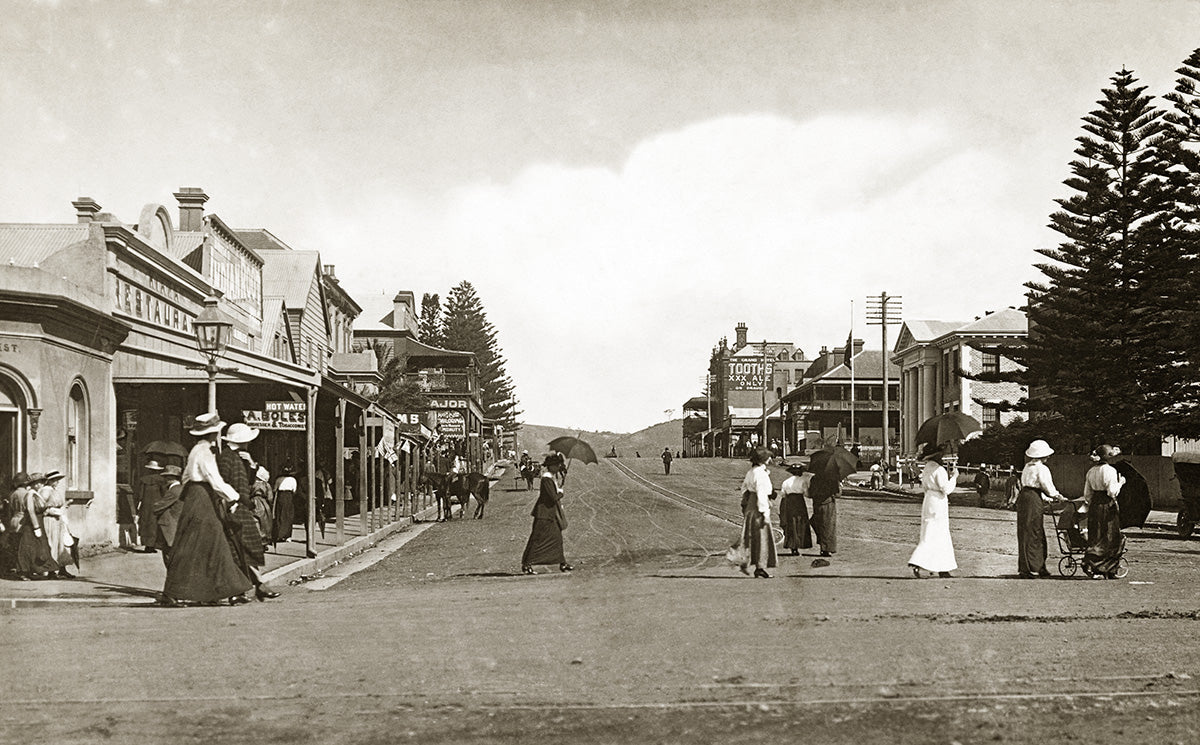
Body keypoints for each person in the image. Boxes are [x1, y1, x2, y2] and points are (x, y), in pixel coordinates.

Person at [161, 413, 253, 606]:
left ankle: (209, 592)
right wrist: (234, 497)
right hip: (202, 498)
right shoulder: (204, 452)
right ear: (212, 433)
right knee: (213, 543)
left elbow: (187, 477)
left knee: (196, 544)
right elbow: (214, 479)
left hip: (196, 497)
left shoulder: (196, 450)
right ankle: (229, 591)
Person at [217, 422, 279, 601]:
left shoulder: (238, 457)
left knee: (245, 549)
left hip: (242, 506)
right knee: (241, 548)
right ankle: (252, 587)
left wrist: (252, 465)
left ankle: (255, 586)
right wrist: (232, 503)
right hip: (235, 507)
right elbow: (224, 483)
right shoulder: (227, 458)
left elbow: (249, 481)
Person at [907, 444, 958, 579]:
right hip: (938, 502)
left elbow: (925, 486)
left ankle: (942, 568)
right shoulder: (939, 469)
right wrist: (954, 477)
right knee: (940, 534)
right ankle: (918, 561)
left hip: (928, 500)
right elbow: (945, 489)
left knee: (929, 531)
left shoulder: (927, 468)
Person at [1015, 439, 1062, 579]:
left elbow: (1031, 485)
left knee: (1025, 531)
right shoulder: (1042, 468)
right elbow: (1046, 485)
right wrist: (1056, 495)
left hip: (1025, 498)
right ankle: (1034, 567)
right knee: (1035, 531)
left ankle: (1030, 566)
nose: (1048, 457)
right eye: (1046, 455)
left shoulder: (1027, 467)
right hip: (1033, 500)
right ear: (1042, 455)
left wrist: (1047, 497)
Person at [521, 452, 572, 575]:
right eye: (557, 465)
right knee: (537, 539)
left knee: (557, 539)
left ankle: (562, 563)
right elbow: (553, 497)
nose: (559, 467)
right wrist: (560, 492)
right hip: (544, 515)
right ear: (552, 466)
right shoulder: (546, 479)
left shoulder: (550, 479)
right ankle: (527, 564)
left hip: (550, 514)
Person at [1082, 444, 1127, 579]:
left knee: (1095, 534)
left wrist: (1091, 504)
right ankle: (1106, 567)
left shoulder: (1091, 471)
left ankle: (1093, 564)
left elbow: (1087, 494)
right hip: (1106, 503)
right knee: (1109, 535)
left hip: (1095, 503)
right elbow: (1112, 491)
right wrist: (1121, 483)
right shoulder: (1110, 471)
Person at [738, 446, 777, 578]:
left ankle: (753, 563)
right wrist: (764, 513)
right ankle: (760, 566)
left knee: (751, 536)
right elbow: (761, 493)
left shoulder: (751, 472)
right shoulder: (761, 474)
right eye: (768, 457)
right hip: (758, 506)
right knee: (762, 537)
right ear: (763, 459)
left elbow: (744, 489)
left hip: (750, 505)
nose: (770, 459)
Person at [14, 473, 55, 580]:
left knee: (42, 546)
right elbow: (31, 510)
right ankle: (24, 572)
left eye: (42, 482)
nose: (41, 484)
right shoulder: (30, 494)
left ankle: (49, 570)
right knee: (28, 547)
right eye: (39, 482)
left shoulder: (36, 494)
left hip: (39, 521)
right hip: (32, 524)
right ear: (34, 484)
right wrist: (36, 527)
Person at [39, 470, 75, 578]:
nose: (57, 482)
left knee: (61, 543)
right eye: (55, 480)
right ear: (50, 481)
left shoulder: (54, 490)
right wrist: (50, 511)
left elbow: (59, 503)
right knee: (52, 543)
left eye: (57, 480)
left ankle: (62, 568)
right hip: (50, 520)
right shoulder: (45, 490)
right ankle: (51, 570)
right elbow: (41, 506)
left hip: (58, 520)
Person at [778, 462, 813, 556]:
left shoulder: (786, 482)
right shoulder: (803, 481)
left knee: (791, 523)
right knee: (800, 522)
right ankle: (800, 543)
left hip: (789, 502)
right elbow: (807, 494)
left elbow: (783, 494)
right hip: (799, 502)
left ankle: (793, 547)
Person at [154, 464, 184, 568]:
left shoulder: (174, 490)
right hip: (177, 526)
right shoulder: (181, 489)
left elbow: (157, 507)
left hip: (170, 528)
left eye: (166, 477)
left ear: (170, 478)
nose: (164, 479)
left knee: (169, 558)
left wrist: (155, 505)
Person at [1, 472, 31, 577]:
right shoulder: (27, 493)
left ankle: (13, 567)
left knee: (14, 545)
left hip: (14, 519)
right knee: (22, 546)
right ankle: (22, 570)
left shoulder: (13, 494)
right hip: (23, 520)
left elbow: (10, 509)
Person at [809, 466, 839, 561]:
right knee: (828, 526)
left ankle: (822, 544)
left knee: (818, 524)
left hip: (817, 504)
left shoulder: (814, 478)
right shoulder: (832, 478)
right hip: (828, 504)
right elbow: (838, 493)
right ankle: (826, 548)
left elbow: (810, 492)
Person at [136, 458, 165, 553]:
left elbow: (140, 494)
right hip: (157, 505)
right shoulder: (161, 480)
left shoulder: (144, 480)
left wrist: (139, 503)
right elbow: (164, 493)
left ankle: (147, 545)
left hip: (145, 505)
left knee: (145, 523)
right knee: (154, 525)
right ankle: (152, 545)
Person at [273, 464, 297, 543]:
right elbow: (294, 490)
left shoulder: (278, 479)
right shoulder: (293, 480)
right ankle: (287, 535)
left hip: (281, 496)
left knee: (280, 515)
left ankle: (280, 535)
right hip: (289, 496)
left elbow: (275, 489)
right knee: (288, 516)